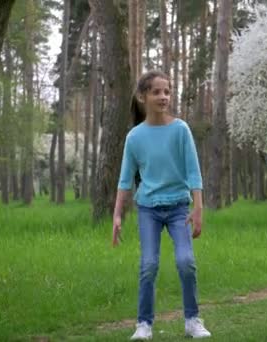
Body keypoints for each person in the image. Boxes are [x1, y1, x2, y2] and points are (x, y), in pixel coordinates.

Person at [112, 70, 211, 340]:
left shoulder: (180, 129)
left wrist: (198, 208)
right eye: (156, 92)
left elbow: (193, 171)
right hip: (149, 209)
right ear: (142, 97)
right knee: (149, 265)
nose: (163, 96)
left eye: (167, 91)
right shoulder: (134, 137)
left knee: (186, 261)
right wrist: (117, 215)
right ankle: (143, 325)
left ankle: (192, 320)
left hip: (179, 207)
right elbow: (125, 180)